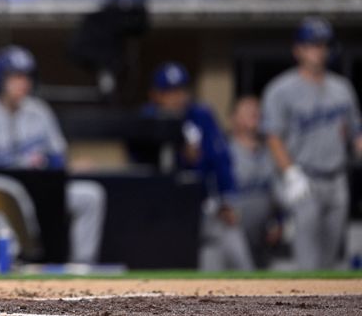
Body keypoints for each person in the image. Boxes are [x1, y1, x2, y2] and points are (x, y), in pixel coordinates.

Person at [0, 46, 107, 266]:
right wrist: (10, 164)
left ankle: (82, 265)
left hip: (39, 192)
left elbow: (58, 157)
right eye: (16, 77)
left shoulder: (39, 111)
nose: (23, 83)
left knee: (90, 196)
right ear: (0, 78)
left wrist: (44, 162)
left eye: (26, 77)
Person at [260, 17, 362, 269]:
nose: (318, 51)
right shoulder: (281, 89)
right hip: (304, 178)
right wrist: (291, 174)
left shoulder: (342, 88)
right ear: (298, 50)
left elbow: (355, 134)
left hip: (337, 179)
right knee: (307, 260)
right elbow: (273, 136)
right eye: (312, 45)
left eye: (322, 45)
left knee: (331, 259)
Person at [144, 62, 253, 271]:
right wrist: (180, 153)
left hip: (204, 208)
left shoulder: (200, 115)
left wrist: (227, 198)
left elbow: (220, 159)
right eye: (169, 92)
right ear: (156, 94)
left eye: (181, 90)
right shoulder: (148, 119)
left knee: (235, 256)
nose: (177, 97)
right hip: (163, 213)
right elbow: (143, 164)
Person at [227, 96, 280, 268]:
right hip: (234, 226)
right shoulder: (224, 150)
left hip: (264, 230)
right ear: (233, 117)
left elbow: (276, 191)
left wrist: (277, 220)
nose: (255, 115)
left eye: (257, 112)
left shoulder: (270, 150)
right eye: (248, 112)